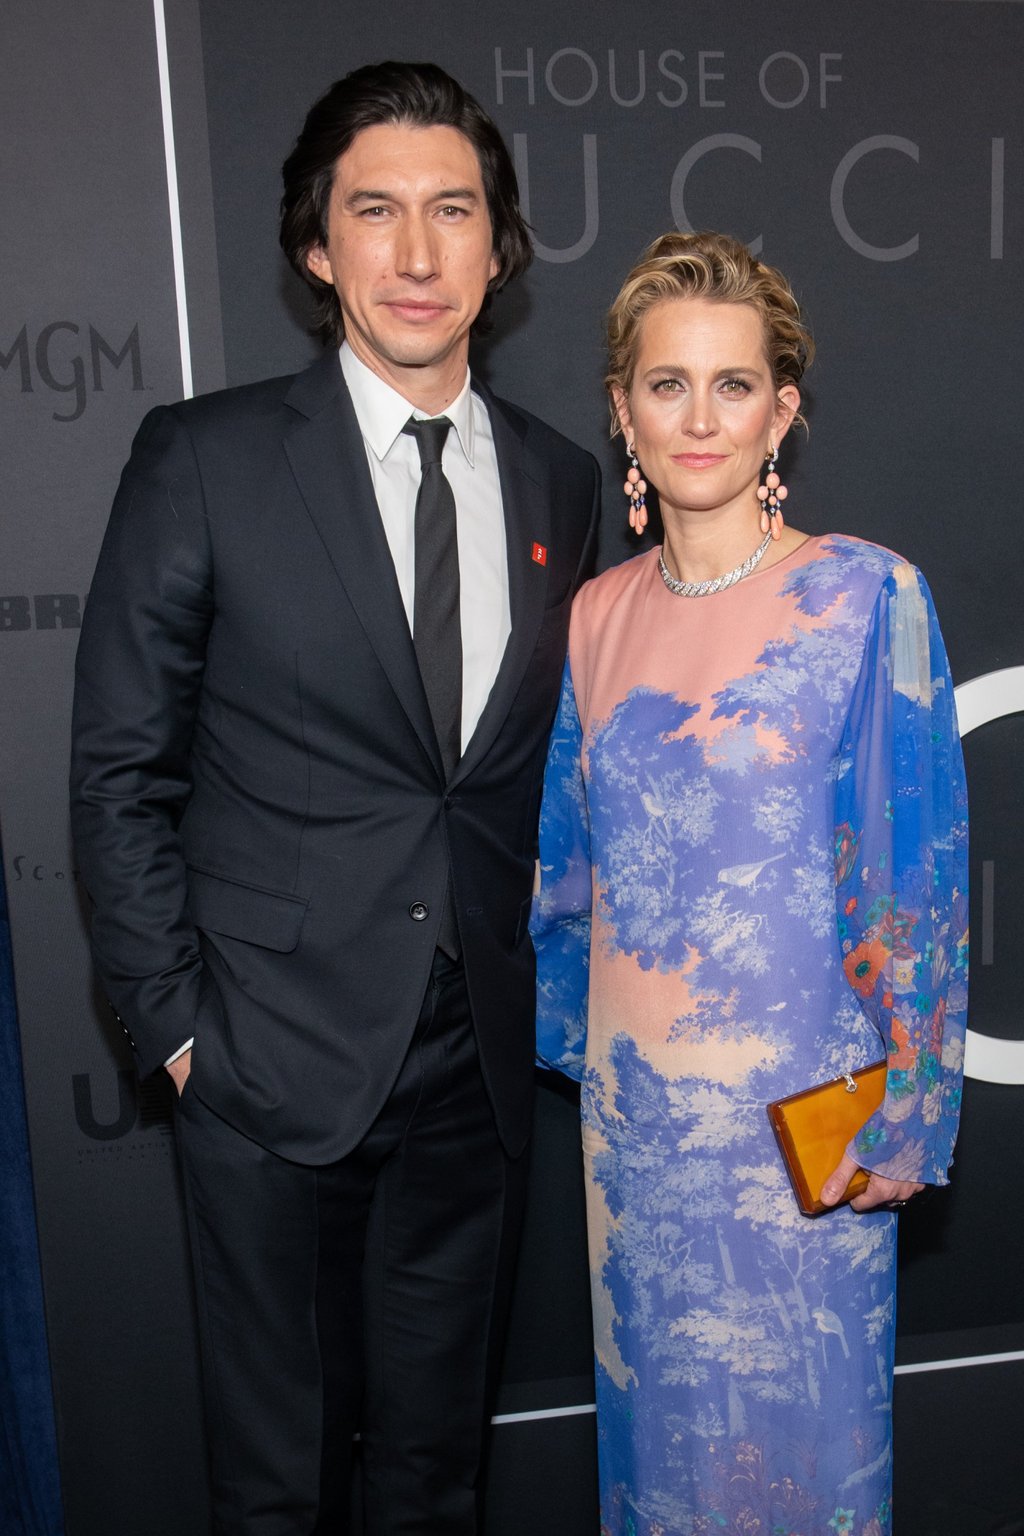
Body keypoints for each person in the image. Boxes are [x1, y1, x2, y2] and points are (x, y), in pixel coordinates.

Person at [70, 60, 599, 1535]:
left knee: (436, 1478)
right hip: (264, 1059)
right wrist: (179, 1035)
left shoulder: (562, 485)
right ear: (319, 246)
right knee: (278, 1490)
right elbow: (120, 769)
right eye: (377, 211)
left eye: (454, 212)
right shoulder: (207, 459)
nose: (418, 254)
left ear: (500, 251)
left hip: (472, 1074)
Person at [531, 231, 968, 1536]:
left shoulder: (864, 595)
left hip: (808, 1127)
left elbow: (918, 876)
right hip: (640, 1135)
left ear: (784, 410)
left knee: (799, 1469)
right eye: (667, 384)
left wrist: (907, 1112)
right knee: (659, 1473)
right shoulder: (598, 613)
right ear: (623, 410)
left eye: (734, 384)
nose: (699, 416)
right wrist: (577, 1045)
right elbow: (572, 866)